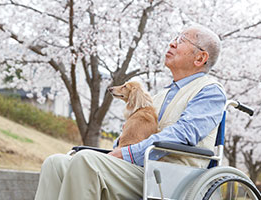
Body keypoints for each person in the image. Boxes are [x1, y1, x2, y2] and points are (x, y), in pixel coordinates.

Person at [34, 25, 226, 200]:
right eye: (175, 38)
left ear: (200, 58)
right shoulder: (160, 96)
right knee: (56, 163)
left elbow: (184, 134)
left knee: (87, 161)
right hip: (142, 170)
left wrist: (127, 153)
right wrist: (121, 146)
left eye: (182, 40)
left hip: (173, 177)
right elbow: (133, 136)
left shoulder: (210, 91)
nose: (172, 43)